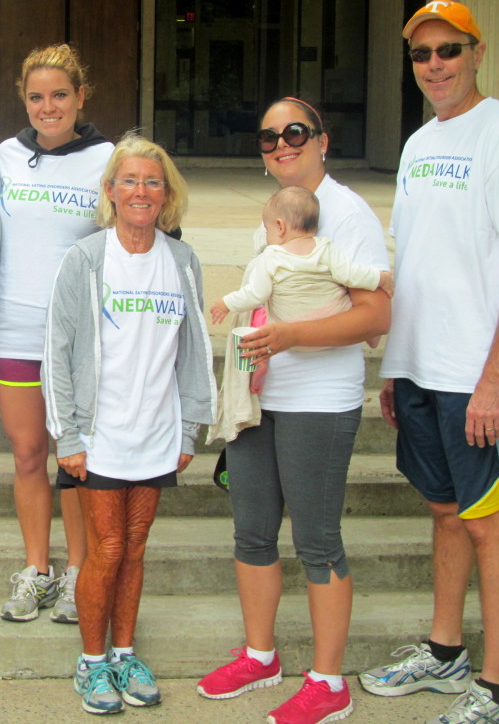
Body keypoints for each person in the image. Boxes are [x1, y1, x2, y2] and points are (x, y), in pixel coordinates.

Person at [358, 0, 499, 724]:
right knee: (445, 511)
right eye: (421, 54)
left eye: (448, 50)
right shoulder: (417, 144)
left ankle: (497, 690)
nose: (434, 65)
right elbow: (419, 263)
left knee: (489, 520)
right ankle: (444, 654)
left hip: (480, 379)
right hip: (423, 371)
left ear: (477, 53)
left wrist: (495, 377)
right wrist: (397, 366)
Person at [196, 97, 391, 724]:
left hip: (318, 403)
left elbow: (375, 315)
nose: (282, 144)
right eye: (268, 137)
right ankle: (261, 656)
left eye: (295, 133)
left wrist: (287, 338)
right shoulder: (274, 219)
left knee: (317, 540)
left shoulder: (348, 215)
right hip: (260, 400)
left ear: (323, 141)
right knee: (252, 530)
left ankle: (328, 682)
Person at [44, 133, 217, 715]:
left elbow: (195, 350)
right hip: (100, 436)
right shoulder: (86, 260)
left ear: (165, 194)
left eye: (152, 181)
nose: (140, 191)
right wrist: (67, 434)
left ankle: (123, 653)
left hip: (157, 433)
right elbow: (57, 352)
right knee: (108, 547)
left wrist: (191, 426)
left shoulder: (182, 261)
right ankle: (91, 664)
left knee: (136, 547)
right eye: (129, 181)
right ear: (110, 191)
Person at [0, 43, 114, 623]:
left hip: (78, 339)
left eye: (60, 95)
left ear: (80, 97)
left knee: (76, 458)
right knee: (27, 453)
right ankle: (36, 570)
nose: (48, 107)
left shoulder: (109, 159)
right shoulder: (4, 157)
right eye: (37, 96)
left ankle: (76, 575)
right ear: (24, 100)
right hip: (13, 329)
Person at [210, 186, 393, 329]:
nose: (266, 235)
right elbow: (352, 275)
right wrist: (380, 278)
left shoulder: (271, 256)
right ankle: (372, 335)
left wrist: (226, 303)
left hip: (290, 325)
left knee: (260, 318)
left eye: (267, 229)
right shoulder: (326, 248)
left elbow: (256, 294)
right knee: (343, 293)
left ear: (280, 227)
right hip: (329, 322)